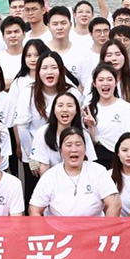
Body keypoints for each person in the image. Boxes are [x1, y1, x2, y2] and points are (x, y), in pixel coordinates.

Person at [13, 51, 81, 203]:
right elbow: (22, 127)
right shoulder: (28, 92)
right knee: (37, 197)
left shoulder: (72, 92)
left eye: (54, 67)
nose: (49, 72)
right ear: (38, 71)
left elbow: (78, 124)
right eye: (44, 68)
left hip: (67, 153)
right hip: (34, 155)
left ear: (61, 70)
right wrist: (32, 158)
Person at [29, 127, 120, 217]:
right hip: (58, 226)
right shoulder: (50, 176)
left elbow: (115, 204)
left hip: (94, 225)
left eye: (78, 144)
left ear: (85, 149)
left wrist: (108, 226)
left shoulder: (98, 171)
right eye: (68, 145)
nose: (74, 149)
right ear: (61, 150)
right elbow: (34, 210)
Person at [83, 64, 130, 166]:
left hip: (121, 160)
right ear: (94, 83)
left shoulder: (127, 108)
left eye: (109, 79)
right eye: (101, 80)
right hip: (96, 160)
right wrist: (91, 127)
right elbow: (86, 143)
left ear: (116, 82)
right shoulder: (88, 110)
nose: (105, 83)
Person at [28, 92, 97, 176]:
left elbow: (89, 163)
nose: (65, 109)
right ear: (53, 110)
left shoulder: (83, 134)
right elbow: (44, 166)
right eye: (60, 105)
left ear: (76, 111)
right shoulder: (43, 132)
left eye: (69, 106)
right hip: (53, 179)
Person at [46, 6, 95, 90]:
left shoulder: (84, 54)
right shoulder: (41, 51)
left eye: (63, 23)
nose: (59, 27)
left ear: (70, 25)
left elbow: (87, 87)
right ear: (49, 26)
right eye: (55, 24)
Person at [0, 16, 27, 90]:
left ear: (24, 34)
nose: (13, 35)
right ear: (3, 36)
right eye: (8, 33)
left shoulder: (31, 57)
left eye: (16, 32)